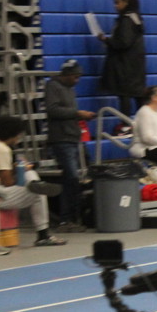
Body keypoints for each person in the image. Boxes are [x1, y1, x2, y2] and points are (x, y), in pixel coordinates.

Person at [0, 116, 67, 247]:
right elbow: (7, 182)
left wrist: (19, 169)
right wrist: (20, 170)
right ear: (12, 133)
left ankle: (35, 184)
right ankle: (43, 235)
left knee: (31, 175)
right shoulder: (2, 149)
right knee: (38, 193)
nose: (19, 137)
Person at [45, 59, 95, 231]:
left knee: (73, 179)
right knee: (71, 177)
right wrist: (77, 113)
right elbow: (52, 110)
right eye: (75, 77)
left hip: (73, 138)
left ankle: (74, 217)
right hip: (61, 138)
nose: (77, 80)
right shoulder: (53, 86)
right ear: (66, 75)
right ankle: (66, 219)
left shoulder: (70, 89)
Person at [98, 0, 146, 114]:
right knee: (138, 95)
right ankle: (142, 121)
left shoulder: (126, 20)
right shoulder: (136, 18)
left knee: (124, 95)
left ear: (126, 1)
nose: (115, 6)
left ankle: (125, 122)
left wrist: (106, 40)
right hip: (136, 65)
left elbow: (123, 42)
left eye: (117, 2)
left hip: (125, 66)